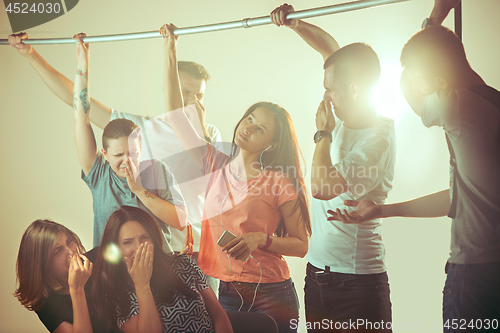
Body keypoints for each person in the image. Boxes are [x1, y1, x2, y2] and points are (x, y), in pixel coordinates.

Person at [329, 1, 500, 332]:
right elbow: (457, 199)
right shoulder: (492, 102)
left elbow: (415, 96)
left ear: (438, 77)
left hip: (474, 277)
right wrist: (381, 210)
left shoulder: (454, 104)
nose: (416, 86)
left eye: (419, 77)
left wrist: (435, 17)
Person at [7, 33, 223, 285]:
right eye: (185, 92)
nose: (192, 101)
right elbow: (79, 106)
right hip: (139, 267)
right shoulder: (135, 131)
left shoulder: (209, 135)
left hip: (194, 254)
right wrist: (33, 55)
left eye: (199, 95)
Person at [160, 23, 311, 333]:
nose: (249, 127)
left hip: (273, 294)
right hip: (227, 292)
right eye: (250, 118)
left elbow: (301, 245)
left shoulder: (278, 182)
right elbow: (175, 115)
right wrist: (170, 51)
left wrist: (261, 239)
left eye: (260, 129)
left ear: (271, 144)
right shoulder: (213, 163)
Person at [271, 4, 396, 332]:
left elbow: (322, 187)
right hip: (318, 276)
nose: (325, 95)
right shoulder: (345, 108)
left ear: (353, 88)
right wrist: (294, 23)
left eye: (331, 88)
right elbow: (331, 49)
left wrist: (322, 135)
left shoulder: (376, 140)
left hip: (356, 285)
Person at [71, 33, 186, 248]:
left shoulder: (156, 171)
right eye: (118, 155)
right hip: (113, 275)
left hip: (158, 273)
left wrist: (139, 190)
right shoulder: (98, 175)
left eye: (133, 153)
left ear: (141, 148)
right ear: (104, 154)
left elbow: (181, 221)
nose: (127, 160)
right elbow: (81, 118)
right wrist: (82, 62)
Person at [91, 206, 233, 333]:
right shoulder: (116, 291)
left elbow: (218, 315)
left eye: (145, 238)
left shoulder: (183, 264)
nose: (139, 247)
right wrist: (142, 285)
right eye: (127, 242)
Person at [15, 219, 118, 333]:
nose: (71, 252)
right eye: (58, 250)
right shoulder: (45, 304)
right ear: (42, 264)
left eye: (69, 242)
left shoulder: (99, 258)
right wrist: (77, 289)